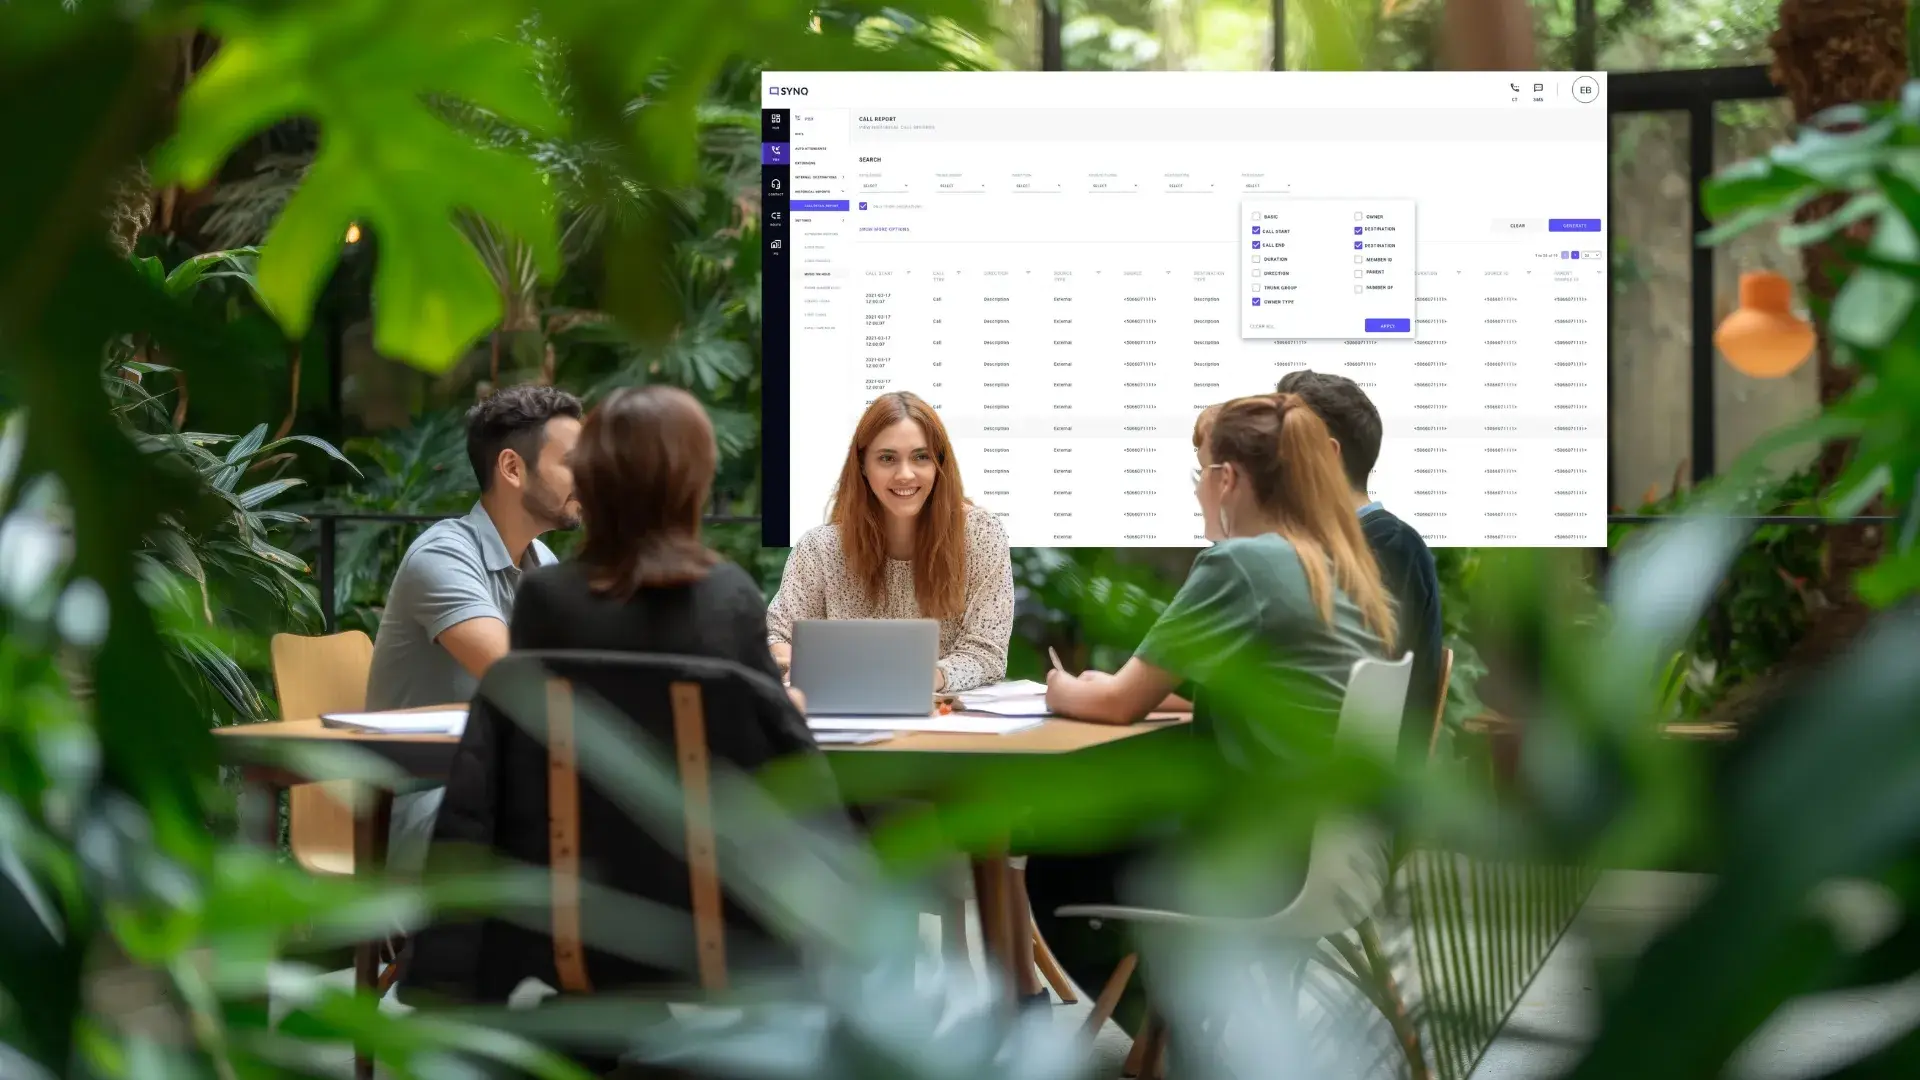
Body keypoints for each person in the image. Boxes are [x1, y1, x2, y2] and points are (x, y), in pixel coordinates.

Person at [405, 387, 839, 1034]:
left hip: (571, 913)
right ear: (693, 482)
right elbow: (773, 768)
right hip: (715, 914)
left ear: (594, 477)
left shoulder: (546, 597)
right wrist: (780, 709)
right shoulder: (726, 598)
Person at [1026, 392, 1398, 1034]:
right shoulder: (1336, 566)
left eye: (1200, 473)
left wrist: (1060, 685)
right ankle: (1187, 1037)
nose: (1197, 490)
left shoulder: (1242, 562)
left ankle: (1183, 1043)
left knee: (1057, 857)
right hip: (1338, 847)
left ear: (1227, 479)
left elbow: (1117, 702)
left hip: (1262, 855)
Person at [365, 384, 583, 875]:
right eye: (573, 462)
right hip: (429, 808)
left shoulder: (541, 562)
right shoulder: (443, 556)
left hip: (500, 791)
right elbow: (523, 680)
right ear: (512, 468)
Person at [767, 391, 1014, 693]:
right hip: (842, 710)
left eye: (921, 457)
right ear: (862, 465)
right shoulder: (819, 549)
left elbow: (986, 653)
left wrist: (925, 678)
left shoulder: (980, 534)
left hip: (946, 711)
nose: (905, 474)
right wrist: (796, 662)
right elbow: (778, 636)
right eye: (887, 458)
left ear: (939, 463)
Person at [1278, 368, 1444, 764]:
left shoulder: (1388, 547)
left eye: (1280, 444)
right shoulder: (1365, 544)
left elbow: (1332, 689)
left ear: (1326, 455)